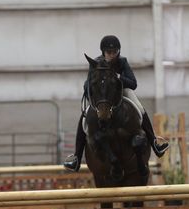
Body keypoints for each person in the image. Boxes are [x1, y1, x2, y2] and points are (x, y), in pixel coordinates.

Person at [64, 35, 169, 172]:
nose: (112, 55)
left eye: (115, 52)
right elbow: (86, 85)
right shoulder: (96, 63)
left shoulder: (122, 62)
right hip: (102, 97)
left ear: (118, 52)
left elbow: (133, 83)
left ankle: (155, 143)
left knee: (140, 108)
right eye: (109, 52)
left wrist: (118, 77)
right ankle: (77, 157)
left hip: (121, 92)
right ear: (103, 52)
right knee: (84, 116)